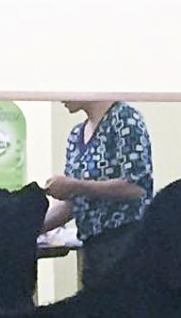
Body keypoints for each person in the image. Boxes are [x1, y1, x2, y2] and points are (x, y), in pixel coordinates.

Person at [42, 100, 153, 288]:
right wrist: (27, 229)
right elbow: (72, 203)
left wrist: (76, 185)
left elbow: (137, 187)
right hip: (92, 248)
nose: (59, 98)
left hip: (126, 246)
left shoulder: (125, 118)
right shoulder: (75, 135)